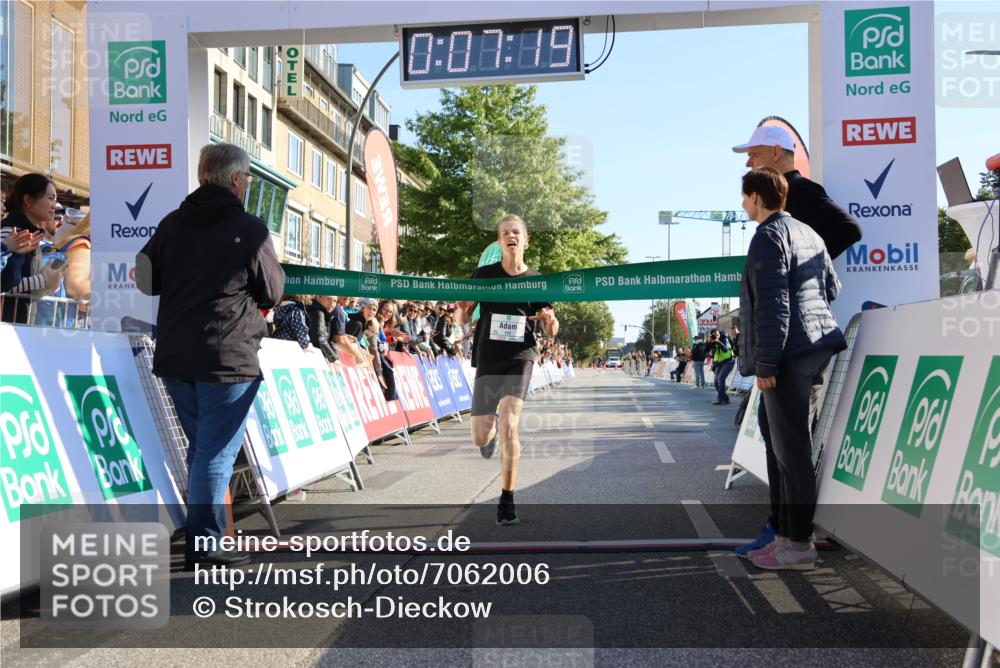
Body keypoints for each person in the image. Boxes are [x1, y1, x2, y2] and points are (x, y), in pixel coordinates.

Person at [135, 143, 285, 569]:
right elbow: (272, 291)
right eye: (250, 177)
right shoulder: (250, 228)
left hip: (177, 354)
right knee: (215, 452)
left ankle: (205, 535)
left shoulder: (172, 223)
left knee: (203, 448)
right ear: (236, 180)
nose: (249, 183)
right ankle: (204, 542)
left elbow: (145, 278)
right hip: (228, 354)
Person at [732, 125, 859, 559]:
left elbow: (774, 306)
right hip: (814, 343)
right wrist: (807, 291)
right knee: (784, 442)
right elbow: (831, 287)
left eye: (752, 156)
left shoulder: (772, 233)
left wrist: (765, 365)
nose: (748, 163)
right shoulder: (806, 233)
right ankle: (786, 531)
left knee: (791, 449)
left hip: (789, 350)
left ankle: (795, 540)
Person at [458, 214, 558, 526]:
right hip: (489, 356)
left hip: (520, 355)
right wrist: (461, 307)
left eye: (516, 232)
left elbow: (553, 328)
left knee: (510, 424)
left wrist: (549, 321)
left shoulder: (537, 280)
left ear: (525, 240)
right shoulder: (485, 274)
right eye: (504, 233)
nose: (510, 236)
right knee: (480, 436)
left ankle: (507, 498)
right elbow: (463, 314)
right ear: (500, 242)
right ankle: (488, 438)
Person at [733, 125, 862, 259]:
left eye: (753, 155)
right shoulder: (783, 191)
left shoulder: (801, 189)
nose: (748, 163)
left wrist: (804, 266)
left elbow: (849, 229)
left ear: (776, 152)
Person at [1, 174, 65, 323]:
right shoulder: (11, 232)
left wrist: (49, 283)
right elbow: (4, 284)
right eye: (50, 198)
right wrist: (42, 280)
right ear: (28, 200)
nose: (54, 205)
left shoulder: (30, 232)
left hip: (19, 324)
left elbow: (26, 287)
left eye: (55, 199)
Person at [307, 295, 340, 363]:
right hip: (311, 358)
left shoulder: (322, 312)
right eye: (328, 299)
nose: (332, 304)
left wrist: (335, 355)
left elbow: (328, 339)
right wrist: (334, 359)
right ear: (319, 297)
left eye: (334, 301)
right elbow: (320, 339)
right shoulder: (318, 312)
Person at [708, 330, 735, 405]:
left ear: (719, 334)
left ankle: (720, 399)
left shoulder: (724, 338)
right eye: (713, 335)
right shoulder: (712, 341)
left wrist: (718, 342)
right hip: (719, 363)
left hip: (728, 361)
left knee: (721, 378)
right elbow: (705, 350)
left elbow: (725, 349)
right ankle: (725, 398)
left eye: (717, 334)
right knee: (716, 382)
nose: (715, 336)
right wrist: (709, 342)